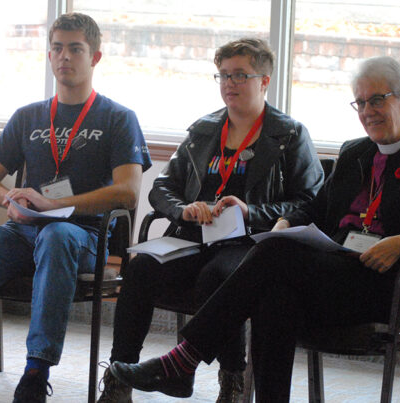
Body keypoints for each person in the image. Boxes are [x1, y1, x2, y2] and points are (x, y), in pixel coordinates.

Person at [109, 55, 400, 401]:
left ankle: (184, 360)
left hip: (392, 282)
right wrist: (286, 222)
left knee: (275, 253)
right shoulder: (354, 153)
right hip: (340, 271)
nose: (367, 111)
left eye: (377, 100)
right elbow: (317, 207)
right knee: (274, 299)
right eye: (359, 103)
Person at [0, 13, 151, 403]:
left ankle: (36, 371)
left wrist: (56, 204)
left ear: (95, 57)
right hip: (24, 230)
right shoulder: (28, 116)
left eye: (76, 49)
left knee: (58, 233)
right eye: (58, 48)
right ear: (49, 55)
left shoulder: (118, 118)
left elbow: (128, 192)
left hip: (84, 236)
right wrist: (9, 199)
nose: (65, 57)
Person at [98, 38, 323, 403]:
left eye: (240, 75)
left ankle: (231, 379)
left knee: (217, 276)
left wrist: (251, 211)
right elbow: (162, 188)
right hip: (192, 235)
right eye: (222, 75)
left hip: (250, 243)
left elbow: (310, 202)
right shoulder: (203, 131)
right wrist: (182, 209)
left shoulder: (290, 135)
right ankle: (120, 375)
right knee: (141, 267)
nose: (229, 84)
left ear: (264, 80)